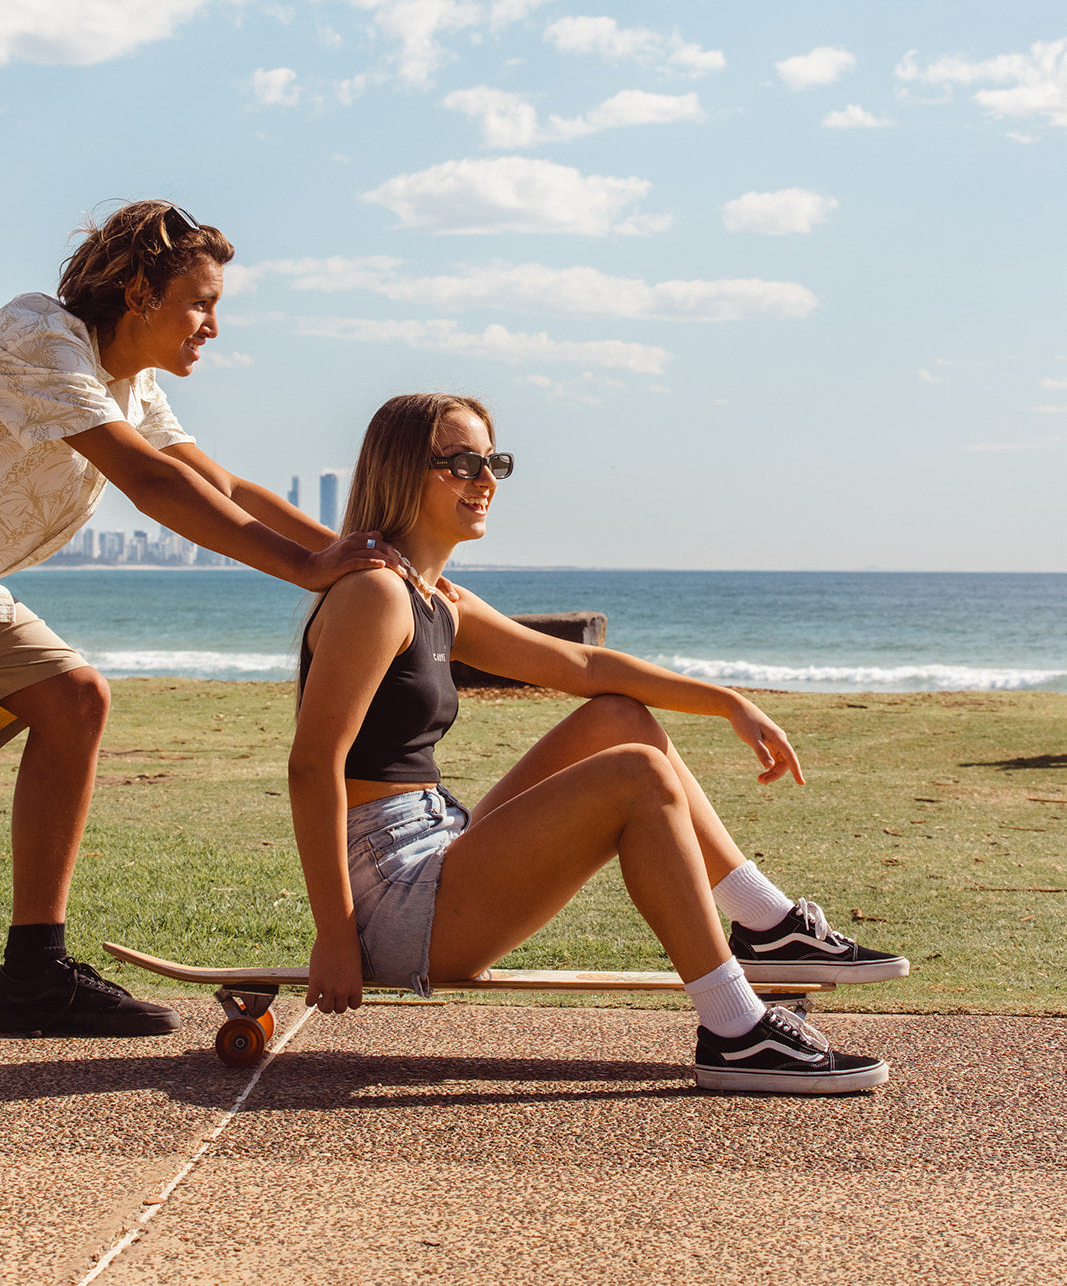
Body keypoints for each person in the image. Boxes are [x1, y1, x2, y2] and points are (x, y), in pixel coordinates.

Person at [290, 393, 909, 1095]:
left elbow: (583, 669)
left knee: (617, 717)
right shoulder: (376, 596)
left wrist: (728, 703)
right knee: (636, 776)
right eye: (462, 464)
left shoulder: (435, 597)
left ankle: (768, 925)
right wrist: (336, 935)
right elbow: (314, 768)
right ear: (403, 471)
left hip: (436, 843)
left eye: (493, 462)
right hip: (393, 898)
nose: (485, 479)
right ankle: (734, 1029)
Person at [0, 201, 408, 1040]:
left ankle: (33, 973)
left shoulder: (129, 381)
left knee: (72, 701)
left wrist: (362, 553)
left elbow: (216, 484)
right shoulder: (41, 336)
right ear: (138, 291)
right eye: (201, 302)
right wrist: (306, 569)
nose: (213, 326)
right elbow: (152, 486)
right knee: (71, 697)